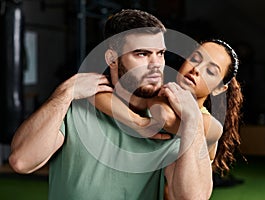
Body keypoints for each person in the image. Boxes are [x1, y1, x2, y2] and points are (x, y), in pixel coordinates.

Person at [9, 9, 212, 200]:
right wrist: (64, 94)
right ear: (112, 59)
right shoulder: (77, 108)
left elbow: (191, 197)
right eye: (142, 54)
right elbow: (22, 161)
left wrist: (192, 119)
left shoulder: (166, 121)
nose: (157, 64)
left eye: (160, 53)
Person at [91, 38, 244, 191]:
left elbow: (165, 117)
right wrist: (137, 121)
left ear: (218, 89)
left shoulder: (210, 125)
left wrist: (154, 96)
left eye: (210, 71)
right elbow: (95, 93)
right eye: (195, 59)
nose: (196, 69)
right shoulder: (159, 94)